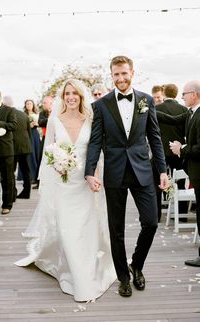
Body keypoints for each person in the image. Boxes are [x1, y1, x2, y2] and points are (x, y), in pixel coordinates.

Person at [15, 79, 116, 302]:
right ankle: (75, 276)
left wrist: (96, 176)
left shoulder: (90, 118)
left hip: (86, 182)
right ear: (63, 97)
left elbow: (97, 150)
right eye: (67, 93)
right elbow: (48, 152)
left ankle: (87, 274)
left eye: (75, 94)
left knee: (86, 229)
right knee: (68, 230)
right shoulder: (54, 119)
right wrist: (55, 167)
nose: (71, 97)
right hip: (63, 183)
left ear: (81, 97)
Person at [85, 55, 168, 297]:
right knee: (116, 228)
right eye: (116, 74)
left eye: (124, 73)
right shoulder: (100, 106)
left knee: (151, 222)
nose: (120, 78)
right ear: (111, 76)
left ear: (132, 72)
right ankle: (123, 277)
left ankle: (137, 266)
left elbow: (155, 137)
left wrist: (162, 170)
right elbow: (95, 142)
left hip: (143, 170)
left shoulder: (146, 100)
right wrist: (90, 171)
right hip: (115, 172)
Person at [157, 80, 200, 267]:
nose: (182, 97)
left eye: (184, 93)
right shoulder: (190, 113)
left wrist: (181, 148)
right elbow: (172, 120)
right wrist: (150, 110)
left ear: (194, 94)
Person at [155, 84, 188, 221]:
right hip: (177, 150)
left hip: (161, 150)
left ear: (163, 93)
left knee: (158, 181)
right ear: (176, 93)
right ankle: (182, 215)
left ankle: (156, 214)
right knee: (179, 182)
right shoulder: (184, 110)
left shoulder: (156, 109)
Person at [23, 99, 41, 185]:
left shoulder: (37, 114)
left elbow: (41, 124)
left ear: (33, 105)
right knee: (30, 154)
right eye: (27, 104)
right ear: (25, 105)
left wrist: (37, 124)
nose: (29, 105)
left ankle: (36, 176)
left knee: (36, 154)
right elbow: (22, 126)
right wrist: (29, 125)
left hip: (35, 134)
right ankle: (30, 176)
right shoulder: (24, 115)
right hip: (27, 135)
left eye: (30, 104)